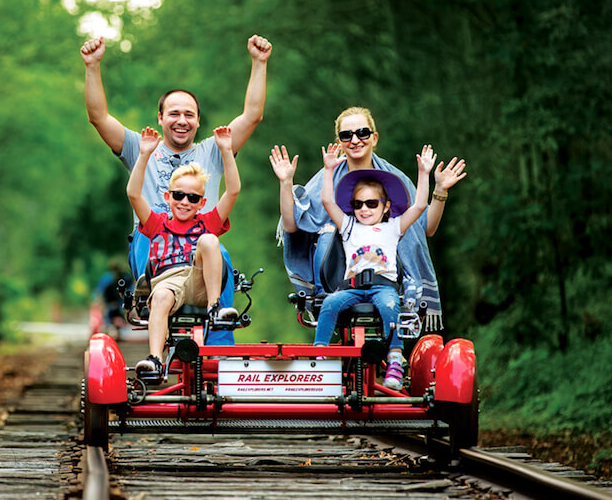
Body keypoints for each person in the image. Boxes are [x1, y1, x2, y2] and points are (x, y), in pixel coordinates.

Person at [81, 34, 272, 345]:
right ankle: (156, 319)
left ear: (198, 122)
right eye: (173, 113)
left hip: (200, 244)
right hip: (153, 238)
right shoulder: (140, 147)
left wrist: (259, 63)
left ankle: (218, 346)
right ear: (160, 118)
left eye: (188, 115)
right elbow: (98, 117)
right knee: (150, 239)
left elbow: (252, 115)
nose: (181, 120)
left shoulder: (213, 151)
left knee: (217, 251)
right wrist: (92, 66)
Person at [272, 106, 467, 333]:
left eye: (362, 133)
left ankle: (393, 354)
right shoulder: (328, 176)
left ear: (374, 138)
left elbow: (425, 228)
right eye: (347, 135)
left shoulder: (394, 180)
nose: (355, 140)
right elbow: (292, 224)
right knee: (327, 231)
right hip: (338, 276)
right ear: (339, 141)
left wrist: (440, 190)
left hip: (386, 275)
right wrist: (286, 183)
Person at [128, 125, 241, 380]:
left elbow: (233, 191)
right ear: (168, 197)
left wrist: (225, 151)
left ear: (202, 202)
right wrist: (144, 155)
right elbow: (133, 193)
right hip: (168, 282)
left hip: (199, 282)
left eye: (192, 198)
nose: (184, 202)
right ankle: (156, 360)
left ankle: (215, 308)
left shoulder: (206, 222)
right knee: (160, 298)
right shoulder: (157, 223)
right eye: (179, 195)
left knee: (210, 241)